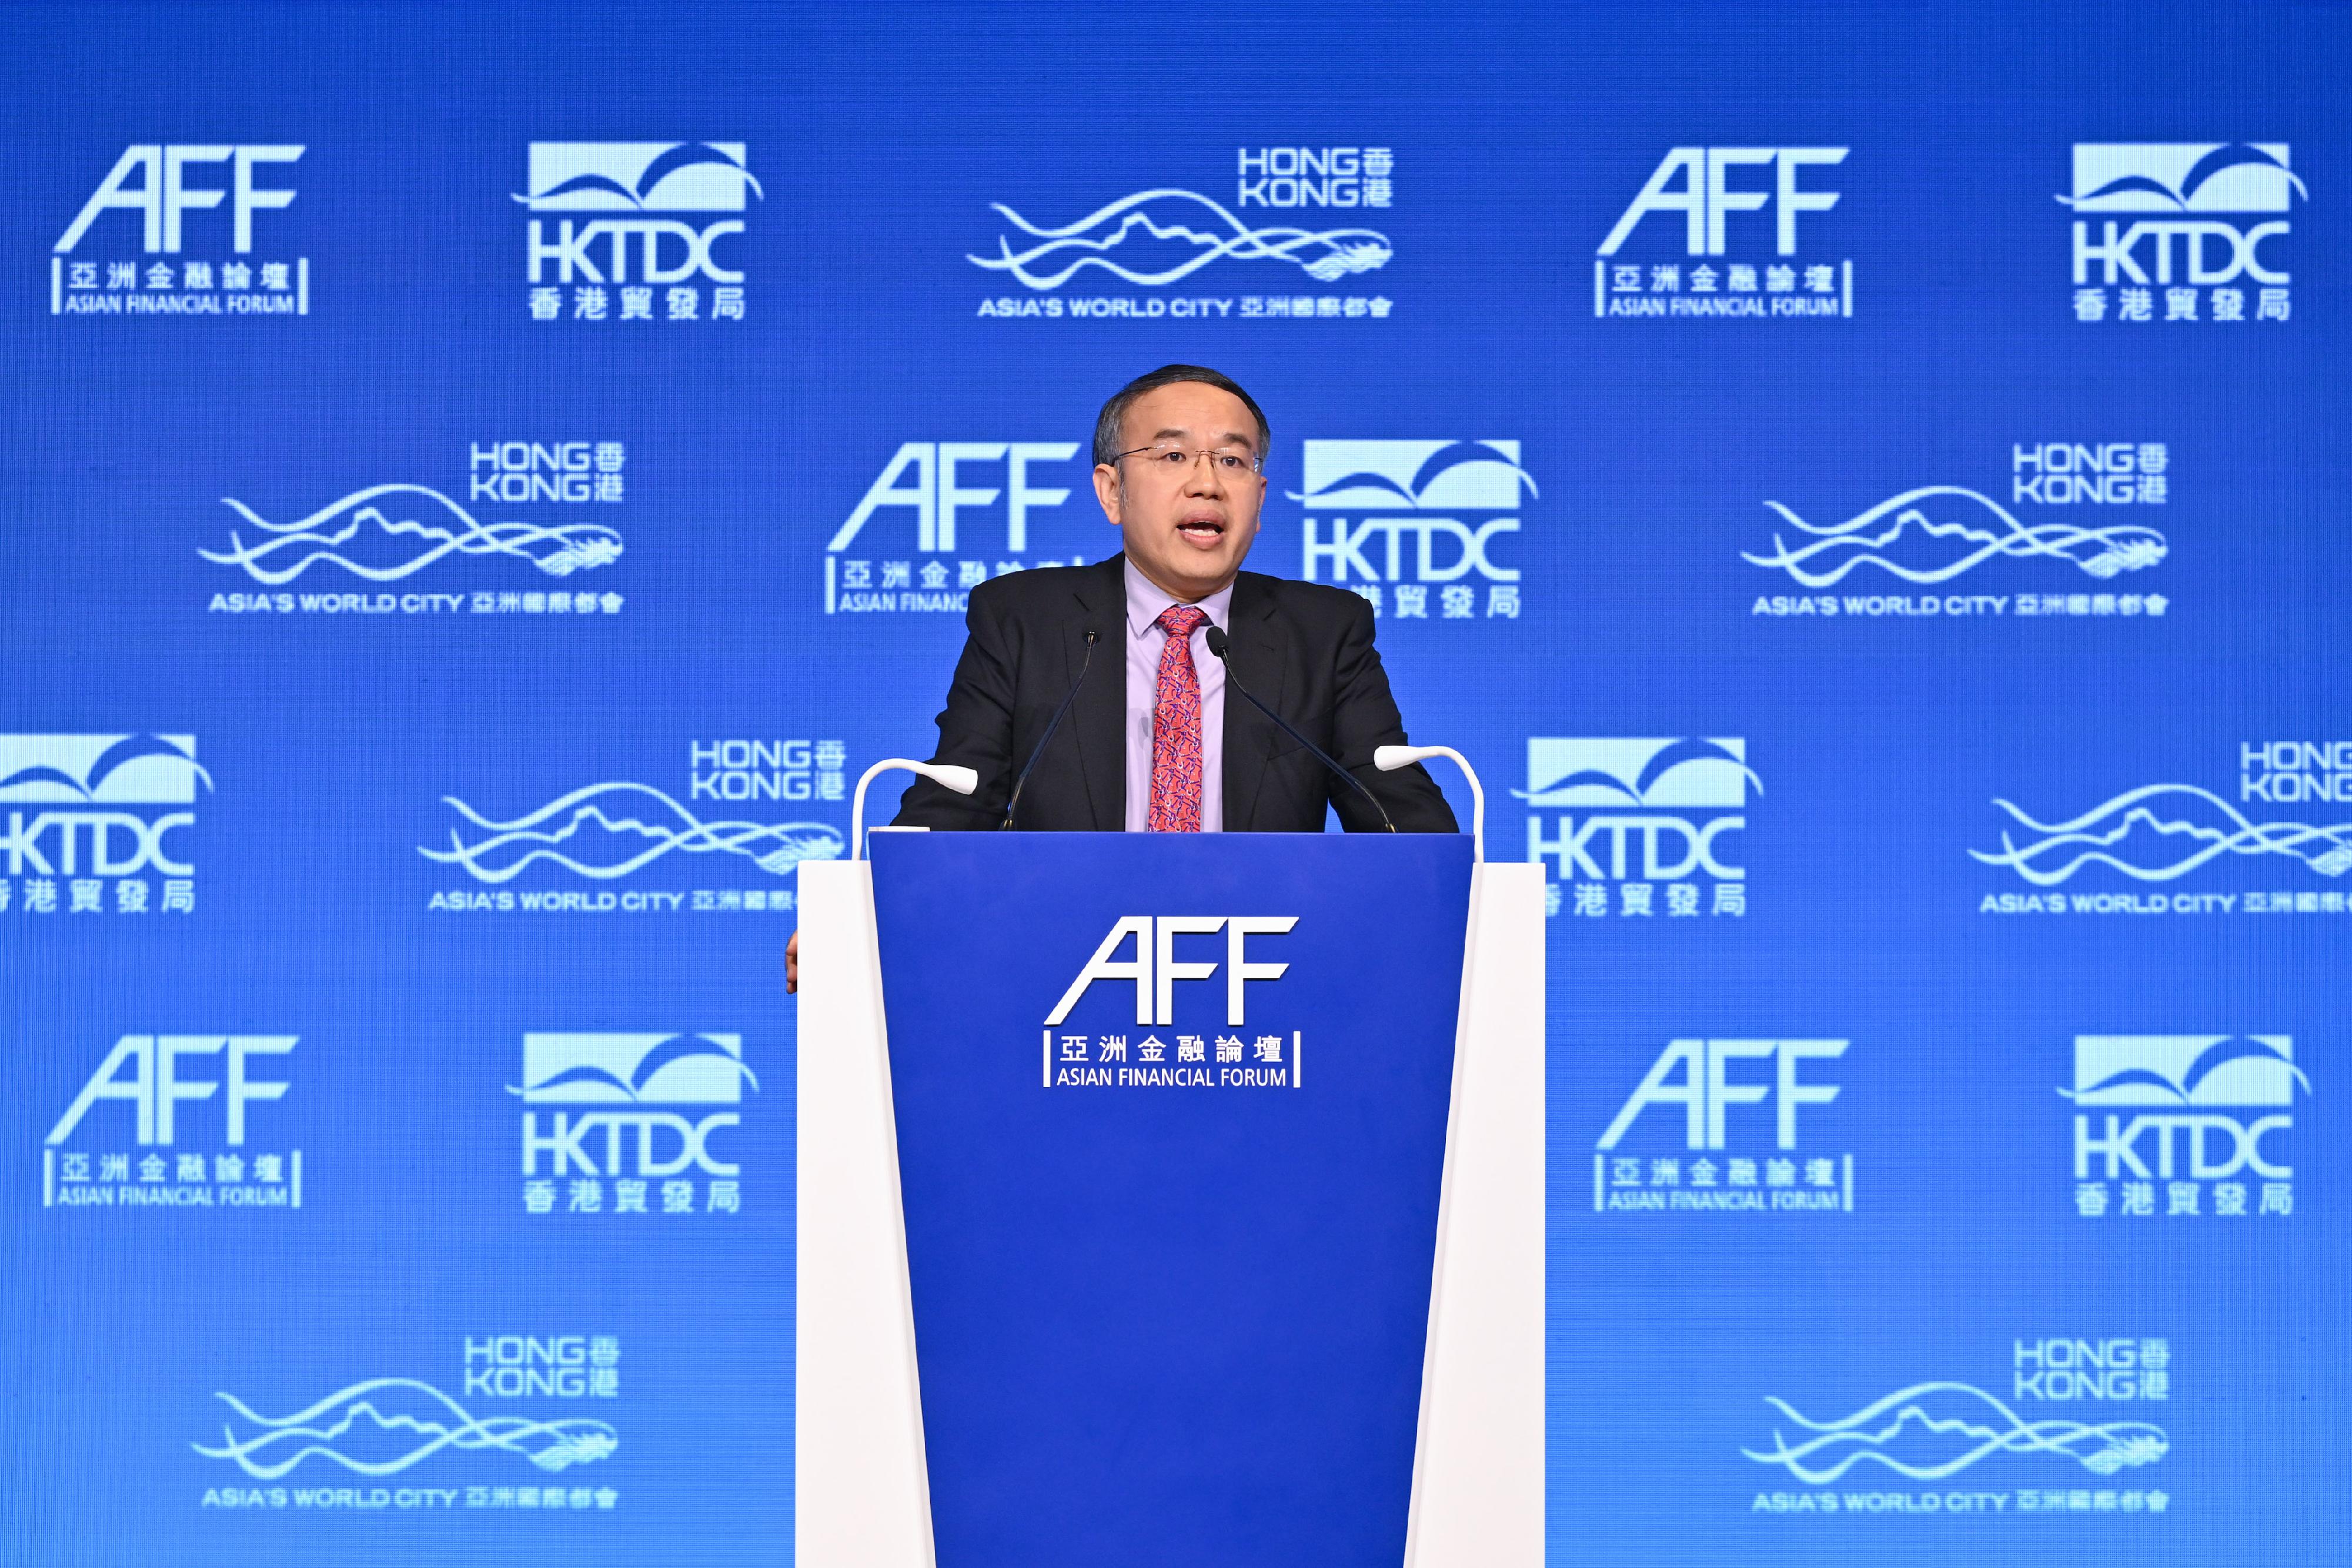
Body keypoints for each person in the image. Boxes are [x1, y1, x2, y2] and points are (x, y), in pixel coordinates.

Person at [786, 364, 1454, 991]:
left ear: (1259, 494)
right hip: (1059, 975)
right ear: (1111, 490)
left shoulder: (1323, 630)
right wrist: (862, 919)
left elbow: (1404, 824)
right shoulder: (1025, 619)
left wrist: (1468, 911)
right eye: (1172, 456)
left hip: (1262, 978)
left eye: (1232, 459)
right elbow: (955, 804)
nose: (1207, 483)